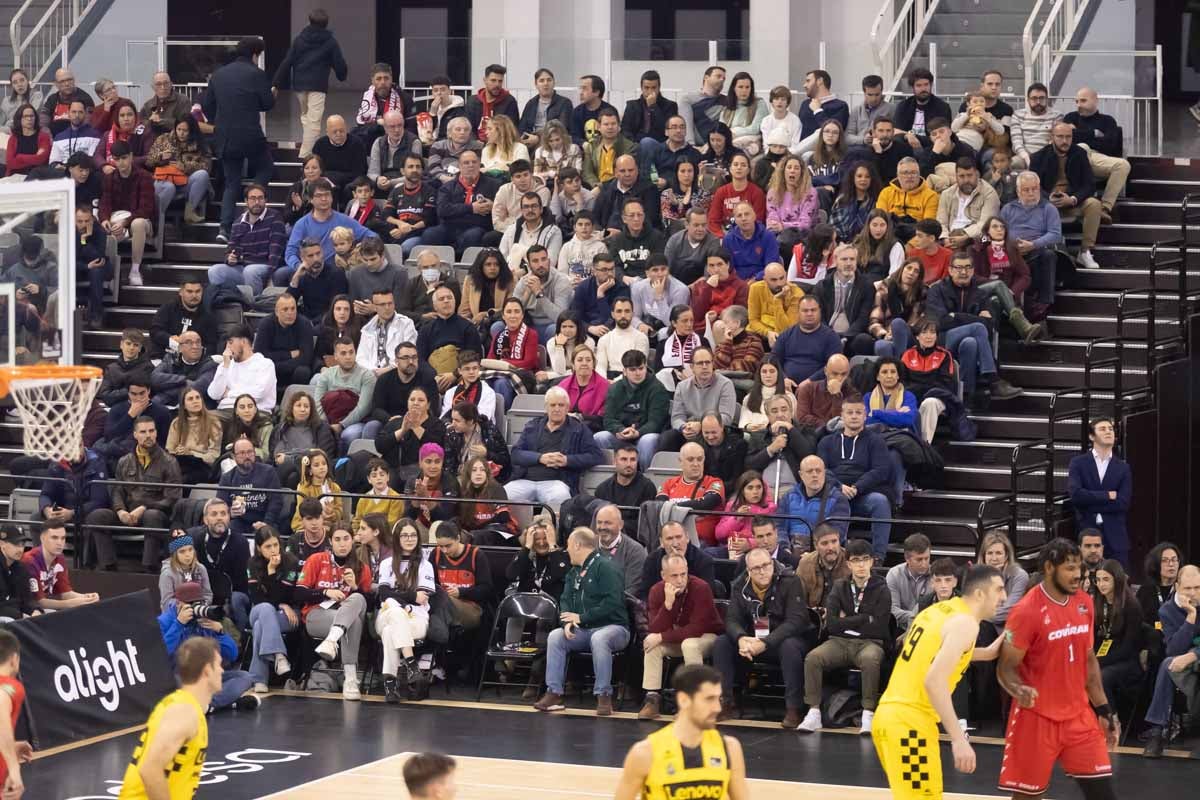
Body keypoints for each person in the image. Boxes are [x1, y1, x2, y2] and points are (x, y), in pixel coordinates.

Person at [996, 538, 1119, 798]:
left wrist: (1104, 709)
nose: (1078, 575)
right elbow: (1005, 667)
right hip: (1036, 718)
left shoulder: (1084, 602)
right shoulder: (1026, 611)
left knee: (1103, 793)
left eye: (1079, 568)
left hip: (1078, 716)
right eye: (1070, 568)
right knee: (1028, 796)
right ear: (1050, 568)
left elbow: (1088, 661)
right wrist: (1019, 690)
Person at [871, 565, 1007, 800]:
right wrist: (958, 739)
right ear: (980, 594)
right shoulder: (966, 624)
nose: (1004, 597)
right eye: (999, 590)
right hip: (910, 724)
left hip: (889, 716)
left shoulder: (937, 611)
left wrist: (987, 653)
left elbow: (931, 652)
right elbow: (933, 681)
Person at [534, 527, 631, 716]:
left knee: (600, 639)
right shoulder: (574, 571)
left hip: (614, 628)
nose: (566, 550)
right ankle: (554, 693)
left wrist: (581, 618)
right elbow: (565, 599)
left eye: (569, 545)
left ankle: (603, 695)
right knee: (556, 636)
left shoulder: (606, 567)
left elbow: (613, 602)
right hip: (584, 629)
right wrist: (567, 622)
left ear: (578, 545)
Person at [797, 538, 890, 734]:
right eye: (856, 560)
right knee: (813, 658)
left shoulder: (882, 588)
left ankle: (868, 713)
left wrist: (847, 620)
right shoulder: (840, 587)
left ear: (872, 562)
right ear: (848, 564)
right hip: (839, 641)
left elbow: (880, 627)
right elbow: (831, 624)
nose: (861, 565)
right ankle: (813, 712)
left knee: (870, 659)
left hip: (869, 643)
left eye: (865, 559)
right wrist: (865, 618)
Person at [617, 664, 749, 800]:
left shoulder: (730, 748)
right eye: (709, 699)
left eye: (718, 699)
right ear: (684, 700)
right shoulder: (645, 753)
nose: (717, 708)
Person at [712, 546, 811, 726]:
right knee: (722, 643)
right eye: (756, 568)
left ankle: (793, 708)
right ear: (748, 571)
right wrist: (741, 638)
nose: (762, 571)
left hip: (784, 639)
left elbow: (796, 621)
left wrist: (766, 643)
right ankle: (725, 702)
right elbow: (732, 619)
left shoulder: (790, 581)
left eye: (766, 565)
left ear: (773, 563)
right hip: (753, 639)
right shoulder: (739, 585)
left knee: (790, 646)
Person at [117, 638, 222, 799]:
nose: (222, 670)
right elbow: (150, 769)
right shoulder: (184, 712)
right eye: (219, 664)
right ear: (207, 670)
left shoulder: (185, 705)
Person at [925, 250, 1023, 405]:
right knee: (977, 328)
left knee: (970, 342)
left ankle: (967, 397)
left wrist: (955, 316)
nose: (963, 272)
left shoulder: (980, 292)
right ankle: (993, 380)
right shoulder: (937, 290)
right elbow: (940, 322)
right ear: (950, 270)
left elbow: (990, 325)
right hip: (943, 339)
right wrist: (975, 319)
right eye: (958, 268)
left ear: (972, 270)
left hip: (970, 341)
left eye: (968, 267)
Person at [636, 553, 725, 723]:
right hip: (678, 637)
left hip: (708, 636)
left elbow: (697, 628)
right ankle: (652, 699)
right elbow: (655, 629)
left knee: (689, 644)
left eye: (683, 574)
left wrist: (662, 636)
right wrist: (668, 605)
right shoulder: (656, 591)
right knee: (652, 645)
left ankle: (695, 702)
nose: (680, 580)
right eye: (674, 575)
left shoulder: (701, 587)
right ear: (664, 576)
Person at [203, 37, 274, 242]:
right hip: (251, 134)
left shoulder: (218, 75)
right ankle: (253, 195)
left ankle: (224, 229)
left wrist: (221, 121)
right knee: (266, 168)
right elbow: (267, 104)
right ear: (255, 54)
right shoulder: (257, 74)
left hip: (225, 137)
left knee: (231, 183)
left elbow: (208, 106)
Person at [296, 524, 372, 700]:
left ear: (353, 541)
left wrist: (354, 587)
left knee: (358, 601)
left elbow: (367, 604)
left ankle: (331, 640)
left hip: (346, 616)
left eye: (346, 539)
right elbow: (299, 593)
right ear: (330, 542)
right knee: (353, 623)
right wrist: (324, 592)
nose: (342, 544)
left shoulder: (362, 568)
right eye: (337, 539)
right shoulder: (316, 559)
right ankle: (351, 680)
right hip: (317, 615)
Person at [816, 396, 895, 560]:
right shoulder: (826, 442)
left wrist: (857, 487)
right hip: (834, 494)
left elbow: (881, 470)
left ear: (865, 416)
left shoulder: (876, 441)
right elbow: (821, 469)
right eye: (849, 412)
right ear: (842, 416)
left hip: (863, 494)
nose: (854, 416)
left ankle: (878, 557)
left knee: (880, 502)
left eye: (858, 412)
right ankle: (829, 555)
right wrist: (839, 486)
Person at [1140, 563, 1200, 759]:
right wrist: (1190, 617)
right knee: (1167, 664)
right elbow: (1174, 649)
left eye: (1198, 588)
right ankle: (1157, 732)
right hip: (1184, 662)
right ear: (1177, 587)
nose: (1193, 593)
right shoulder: (1167, 610)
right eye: (1187, 588)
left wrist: (1194, 655)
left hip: (1195, 657)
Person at [376, 520, 436, 702]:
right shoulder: (387, 564)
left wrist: (397, 596)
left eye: (413, 535)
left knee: (389, 630)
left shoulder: (426, 565)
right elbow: (383, 593)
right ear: (397, 538)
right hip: (386, 615)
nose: (409, 539)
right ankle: (412, 665)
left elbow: (422, 598)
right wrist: (410, 596)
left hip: (416, 620)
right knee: (393, 609)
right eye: (404, 535)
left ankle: (391, 685)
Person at [1030, 121, 1102, 269]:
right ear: (1052, 137)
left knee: (1094, 204)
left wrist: (1073, 199)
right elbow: (1033, 186)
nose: (1065, 141)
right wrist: (1047, 198)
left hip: (1072, 201)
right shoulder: (1038, 157)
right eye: (1060, 137)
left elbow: (1089, 184)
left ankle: (1085, 251)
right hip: (1048, 204)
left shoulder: (1079, 153)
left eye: (1068, 137)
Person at [1067, 417, 1132, 568]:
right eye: (1102, 429)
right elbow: (1076, 496)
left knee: (1118, 581)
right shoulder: (1078, 463)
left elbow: (1122, 503)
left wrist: (1089, 502)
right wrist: (1107, 495)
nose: (1108, 432)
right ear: (1091, 436)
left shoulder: (1123, 467)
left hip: (1116, 537)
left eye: (1110, 429)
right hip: (1086, 532)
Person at [970, 215, 1044, 343]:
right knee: (998, 285)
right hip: (979, 290)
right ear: (987, 230)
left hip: (1004, 295)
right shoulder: (976, 249)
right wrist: (997, 286)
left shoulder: (1011, 248)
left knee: (995, 301)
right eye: (995, 226)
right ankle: (1023, 326)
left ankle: (992, 345)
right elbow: (973, 276)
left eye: (1002, 227)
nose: (999, 230)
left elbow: (1025, 275)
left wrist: (1011, 291)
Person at [1000, 171, 1062, 319]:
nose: (1031, 193)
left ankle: (1044, 304)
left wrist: (1033, 244)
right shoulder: (1008, 209)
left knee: (1048, 255)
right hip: (1012, 252)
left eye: (1034, 189)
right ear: (1018, 191)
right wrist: (1012, 246)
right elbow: (998, 231)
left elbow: (1055, 234)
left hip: (1037, 252)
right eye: (1026, 190)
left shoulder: (1048, 209)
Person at [1063, 87, 1129, 221]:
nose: (1078, 105)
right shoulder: (1070, 117)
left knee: (1123, 165)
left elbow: (1110, 145)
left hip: (1098, 158)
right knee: (1082, 147)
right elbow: (1065, 139)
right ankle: (1081, 200)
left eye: (1083, 101)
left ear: (1095, 101)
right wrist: (1094, 134)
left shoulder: (1108, 121)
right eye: (1076, 101)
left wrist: (1078, 133)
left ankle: (1104, 208)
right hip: (1075, 158)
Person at [208, 184, 288, 296]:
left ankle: (254, 305)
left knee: (250, 271)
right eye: (253, 198)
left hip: (265, 266)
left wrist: (271, 275)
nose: (257, 202)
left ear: (266, 200)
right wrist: (229, 258)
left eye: (260, 198)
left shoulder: (275, 217)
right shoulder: (238, 222)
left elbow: (276, 251)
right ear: (246, 201)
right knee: (215, 271)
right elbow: (230, 249)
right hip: (244, 267)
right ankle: (227, 300)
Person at [596, 350, 671, 465]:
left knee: (648, 440)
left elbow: (656, 422)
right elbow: (608, 419)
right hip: (622, 435)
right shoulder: (615, 389)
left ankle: (646, 477)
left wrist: (638, 433)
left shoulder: (657, 388)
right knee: (600, 437)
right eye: (632, 369)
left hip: (645, 435)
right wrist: (620, 430)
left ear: (646, 367)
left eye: (641, 368)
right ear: (624, 371)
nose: (638, 373)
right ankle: (611, 478)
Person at [98, 140, 155, 286]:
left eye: (124, 158)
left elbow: (146, 209)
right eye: (117, 159)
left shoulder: (144, 177)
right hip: (117, 220)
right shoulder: (109, 178)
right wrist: (104, 219)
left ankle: (135, 270)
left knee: (138, 223)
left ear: (130, 156)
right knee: (102, 226)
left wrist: (125, 222)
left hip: (141, 221)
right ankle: (106, 273)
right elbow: (105, 203)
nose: (121, 163)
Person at [1091, 559, 1144, 712]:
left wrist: (1097, 662)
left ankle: (1111, 722)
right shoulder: (1098, 603)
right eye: (1098, 580)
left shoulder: (1131, 606)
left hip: (1127, 661)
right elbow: (1094, 640)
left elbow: (1128, 649)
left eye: (1106, 579)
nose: (1101, 584)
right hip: (1104, 658)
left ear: (1117, 579)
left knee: (1101, 677)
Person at [661, 346, 736, 451]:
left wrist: (701, 426)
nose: (705, 367)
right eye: (700, 363)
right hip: (690, 430)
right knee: (667, 438)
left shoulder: (725, 384)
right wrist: (684, 427)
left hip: (713, 432)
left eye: (708, 362)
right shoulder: (682, 386)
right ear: (692, 366)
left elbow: (726, 417)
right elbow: (677, 417)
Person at [21, 521, 99, 610]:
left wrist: (86, 597)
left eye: (63, 538)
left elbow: (65, 593)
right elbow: (39, 601)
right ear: (42, 538)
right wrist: (70, 604)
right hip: (27, 608)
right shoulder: (29, 560)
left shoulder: (60, 557)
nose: (59, 543)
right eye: (54, 538)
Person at [216, 437, 284, 539]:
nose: (247, 456)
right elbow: (220, 506)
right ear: (233, 456)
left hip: (265, 520)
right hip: (239, 522)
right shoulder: (227, 478)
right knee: (226, 532)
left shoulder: (268, 472)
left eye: (250, 452)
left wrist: (266, 523)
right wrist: (230, 512)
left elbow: (276, 501)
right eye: (242, 453)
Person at [814, 243, 876, 356]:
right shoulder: (822, 286)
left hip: (853, 336)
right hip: (827, 334)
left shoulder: (866, 286)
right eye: (844, 259)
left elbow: (863, 318)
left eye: (852, 259)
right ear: (835, 261)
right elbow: (819, 316)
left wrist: (846, 336)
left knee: (864, 340)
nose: (848, 263)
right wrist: (831, 337)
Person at [638, 520, 717, 604]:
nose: (675, 544)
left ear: (687, 538)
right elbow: (645, 595)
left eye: (679, 537)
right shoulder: (652, 560)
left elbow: (707, 597)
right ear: (661, 542)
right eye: (669, 538)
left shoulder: (703, 561)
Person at [773, 296, 844, 384]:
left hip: (818, 387)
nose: (809, 314)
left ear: (820, 311)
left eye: (813, 310)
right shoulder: (786, 335)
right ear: (798, 313)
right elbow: (774, 360)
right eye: (805, 311)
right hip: (786, 387)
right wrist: (784, 378)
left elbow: (834, 366)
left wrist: (810, 381)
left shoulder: (831, 337)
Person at [622, 70, 681, 176]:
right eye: (647, 88)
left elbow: (667, 130)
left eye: (654, 88)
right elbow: (625, 130)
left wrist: (653, 107)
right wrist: (634, 145)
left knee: (647, 142)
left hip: (660, 145)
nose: (650, 91)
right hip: (635, 145)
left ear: (659, 88)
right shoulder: (632, 105)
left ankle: (644, 178)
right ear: (641, 88)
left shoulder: (670, 106)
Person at [256, 292, 316, 387]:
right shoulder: (265, 324)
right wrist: (289, 354)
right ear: (276, 312)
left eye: (293, 309)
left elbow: (306, 358)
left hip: (292, 370)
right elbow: (260, 355)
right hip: (271, 370)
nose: (290, 313)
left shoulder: (304, 324)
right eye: (285, 309)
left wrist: (276, 364)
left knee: (303, 371)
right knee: (259, 369)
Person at [166, 388, 222, 484]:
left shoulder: (213, 422)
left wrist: (191, 453)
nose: (195, 401)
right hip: (182, 463)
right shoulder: (176, 423)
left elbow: (214, 456)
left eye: (197, 397)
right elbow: (170, 450)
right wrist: (178, 451)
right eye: (190, 399)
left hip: (203, 466)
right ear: (184, 405)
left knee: (185, 479)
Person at [607, 198, 666, 280]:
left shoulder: (657, 237)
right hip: (624, 282)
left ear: (644, 216)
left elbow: (658, 265)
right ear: (624, 219)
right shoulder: (617, 240)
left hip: (649, 281)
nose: (636, 219)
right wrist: (623, 277)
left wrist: (640, 279)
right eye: (632, 215)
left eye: (639, 215)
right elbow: (613, 265)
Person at [746, 262, 802, 347]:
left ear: (786, 275)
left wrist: (777, 300)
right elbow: (753, 320)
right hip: (761, 332)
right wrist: (767, 332)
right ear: (765, 279)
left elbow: (786, 329)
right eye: (773, 280)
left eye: (782, 278)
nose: (779, 283)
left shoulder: (797, 294)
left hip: (785, 335)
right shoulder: (755, 288)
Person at [665, 208, 725, 286]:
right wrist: (679, 290)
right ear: (686, 225)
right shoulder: (674, 240)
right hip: (675, 287)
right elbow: (665, 270)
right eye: (696, 225)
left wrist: (688, 289)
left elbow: (708, 276)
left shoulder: (713, 242)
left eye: (703, 225)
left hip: (701, 290)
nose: (701, 229)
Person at [518, 67, 572, 147]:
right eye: (541, 81)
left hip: (553, 142)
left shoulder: (564, 103)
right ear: (536, 84)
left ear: (554, 83)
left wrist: (538, 138)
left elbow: (562, 128)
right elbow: (522, 127)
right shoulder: (531, 104)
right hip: (531, 142)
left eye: (549, 80)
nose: (546, 83)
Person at [313, 115, 367, 194]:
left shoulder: (357, 143)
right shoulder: (320, 144)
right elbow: (317, 170)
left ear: (346, 129)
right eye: (334, 131)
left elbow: (360, 172)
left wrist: (337, 178)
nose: (338, 134)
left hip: (351, 182)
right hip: (327, 182)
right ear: (327, 132)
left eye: (341, 131)